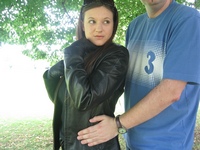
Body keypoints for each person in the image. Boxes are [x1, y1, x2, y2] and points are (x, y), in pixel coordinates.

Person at [77, 0, 200, 149]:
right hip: (132, 140)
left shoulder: (187, 20)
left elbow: (171, 91)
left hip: (167, 144)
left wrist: (117, 124)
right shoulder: (135, 26)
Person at [43, 0, 129, 149]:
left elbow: (84, 99)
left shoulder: (117, 56)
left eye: (106, 21)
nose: (99, 29)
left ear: (113, 24)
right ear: (82, 24)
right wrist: (50, 76)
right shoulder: (80, 55)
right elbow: (62, 101)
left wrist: (71, 53)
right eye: (92, 21)